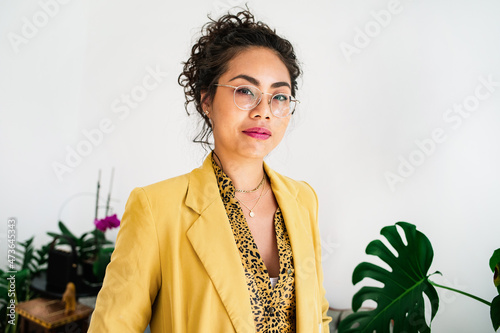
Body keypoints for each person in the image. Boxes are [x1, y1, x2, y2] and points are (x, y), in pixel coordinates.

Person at [88, 9, 331, 333]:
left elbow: (318, 317)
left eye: (279, 96)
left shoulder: (303, 199)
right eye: (246, 91)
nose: (264, 111)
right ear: (206, 100)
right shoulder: (156, 209)